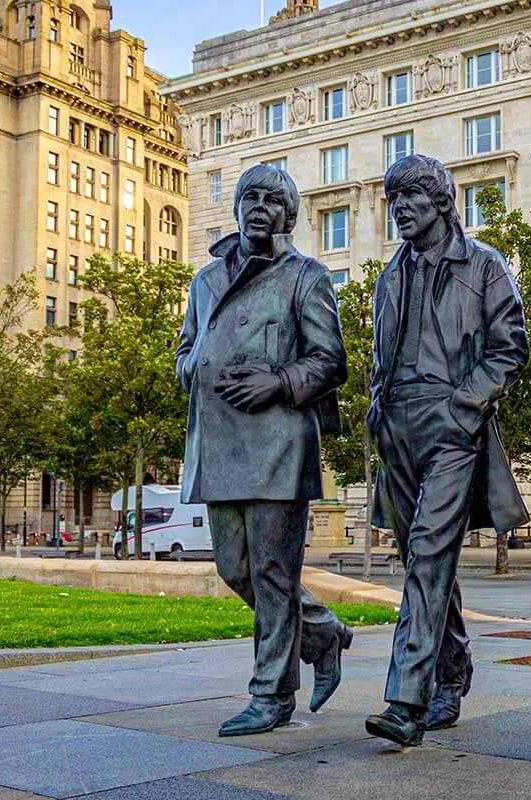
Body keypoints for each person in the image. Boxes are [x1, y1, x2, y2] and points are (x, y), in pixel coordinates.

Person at [175, 164, 353, 737]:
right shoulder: (204, 282)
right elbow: (185, 352)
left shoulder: (307, 276)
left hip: (279, 441)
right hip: (219, 441)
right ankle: (322, 633)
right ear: (236, 209)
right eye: (250, 197)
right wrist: (198, 371)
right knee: (234, 568)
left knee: (274, 571)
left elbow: (330, 361)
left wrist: (277, 380)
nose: (259, 206)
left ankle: (272, 696)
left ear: (290, 215)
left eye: (273, 200)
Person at [364, 154, 529, 747]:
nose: (400, 207)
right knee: (420, 559)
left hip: (452, 422)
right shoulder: (390, 274)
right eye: (393, 199)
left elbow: (511, 346)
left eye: (410, 196)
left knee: (431, 554)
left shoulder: (483, 265)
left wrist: (467, 405)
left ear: (441, 201)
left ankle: (406, 700)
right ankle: (452, 669)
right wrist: (377, 411)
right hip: (397, 428)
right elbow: (381, 356)